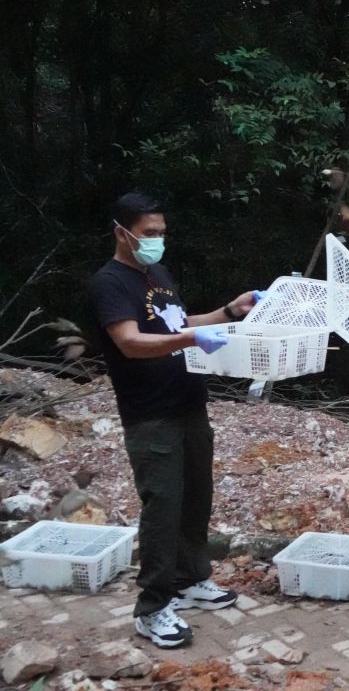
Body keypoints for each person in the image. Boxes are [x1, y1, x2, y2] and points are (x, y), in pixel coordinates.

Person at [85, 192, 256, 648]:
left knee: (196, 497)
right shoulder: (110, 283)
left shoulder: (157, 273)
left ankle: (191, 579)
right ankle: (153, 607)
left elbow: (176, 323)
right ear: (121, 232)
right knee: (162, 508)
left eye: (161, 233)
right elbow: (131, 341)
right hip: (150, 414)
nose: (157, 241)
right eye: (148, 234)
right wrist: (193, 339)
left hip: (188, 404)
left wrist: (226, 313)